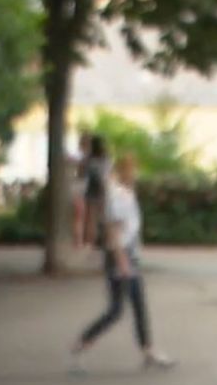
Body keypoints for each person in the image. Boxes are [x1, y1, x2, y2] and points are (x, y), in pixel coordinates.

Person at [70, 154, 175, 373]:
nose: (134, 174)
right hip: (120, 256)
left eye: (135, 169)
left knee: (138, 304)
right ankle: (82, 343)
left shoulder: (126, 194)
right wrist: (122, 261)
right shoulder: (118, 196)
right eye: (130, 170)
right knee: (116, 310)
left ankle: (148, 350)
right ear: (121, 172)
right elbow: (113, 231)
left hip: (128, 255)